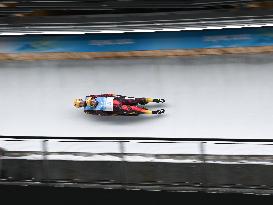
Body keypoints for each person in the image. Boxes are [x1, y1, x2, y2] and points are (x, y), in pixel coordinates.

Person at [73, 93, 165, 116]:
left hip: (117, 100)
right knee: (135, 109)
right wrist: (112, 113)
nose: (81, 103)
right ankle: (154, 112)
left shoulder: (89, 97)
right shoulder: (88, 110)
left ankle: (155, 100)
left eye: (80, 101)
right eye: (80, 104)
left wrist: (111, 95)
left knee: (137, 99)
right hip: (116, 108)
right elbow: (101, 114)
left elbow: (100, 95)